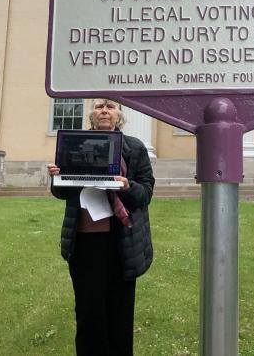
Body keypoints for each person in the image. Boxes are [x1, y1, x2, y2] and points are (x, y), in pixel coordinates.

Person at [49, 99, 154, 356]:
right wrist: (56, 177)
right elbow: (62, 192)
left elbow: (146, 193)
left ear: (119, 115)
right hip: (85, 240)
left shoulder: (134, 148)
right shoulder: (75, 145)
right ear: (91, 115)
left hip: (122, 240)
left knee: (120, 310)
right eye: (98, 107)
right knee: (88, 311)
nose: (104, 111)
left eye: (110, 106)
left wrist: (126, 186)